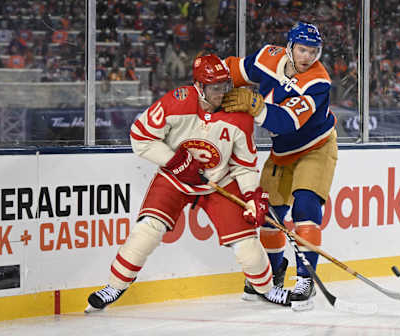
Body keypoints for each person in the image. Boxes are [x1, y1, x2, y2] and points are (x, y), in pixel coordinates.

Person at [85, 54, 292, 313]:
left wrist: (252, 196)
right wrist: (175, 162)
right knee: (146, 231)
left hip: (221, 181)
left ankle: (267, 290)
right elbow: (140, 137)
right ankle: (115, 286)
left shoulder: (239, 116)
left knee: (247, 246)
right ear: (199, 87)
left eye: (225, 86)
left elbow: (244, 165)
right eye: (215, 88)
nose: (222, 94)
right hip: (175, 178)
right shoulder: (176, 103)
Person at [222, 22, 338, 311]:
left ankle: (305, 279)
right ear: (289, 47)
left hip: (316, 148)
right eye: (302, 49)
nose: (308, 56)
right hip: (282, 152)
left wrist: (256, 105)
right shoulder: (268, 57)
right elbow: (233, 71)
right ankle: (274, 272)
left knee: (305, 206)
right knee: (267, 214)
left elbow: (286, 122)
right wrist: (207, 81)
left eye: (314, 51)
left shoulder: (318, 82)